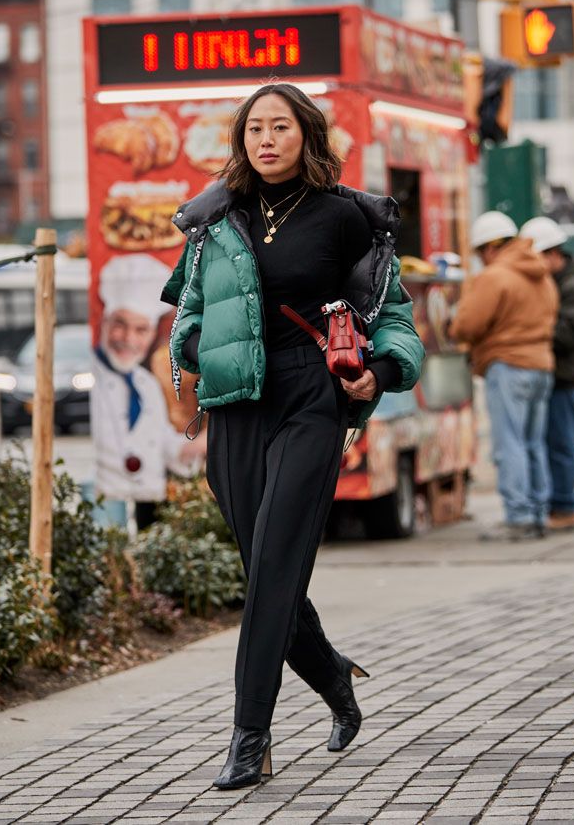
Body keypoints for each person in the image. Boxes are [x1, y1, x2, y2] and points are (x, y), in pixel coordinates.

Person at [162, 83, 424, 789]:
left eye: (281, 126)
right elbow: (188, 310)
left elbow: (393, 315)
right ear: (242, 141)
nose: (267, 139)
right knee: (267, 570)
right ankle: (335, 679)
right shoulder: (217, 218)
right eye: (255, 129)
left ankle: (249, 737)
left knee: (276, 561)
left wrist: (383, 369)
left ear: (307, 136)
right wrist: (193, 346)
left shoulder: (346, 217)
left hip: (312, 396)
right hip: (238, 402)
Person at [449, 211, 559, 540]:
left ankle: (518, 516)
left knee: (509, 443)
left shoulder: (496, 277)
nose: (482, 259)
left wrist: (452, 328)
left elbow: (468, 324)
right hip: (541, 365)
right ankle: (538, 512)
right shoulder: (541, 274)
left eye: (482, 251)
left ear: (493, 247)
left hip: (508, 364)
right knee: (533, 443)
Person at [91, 253, 202, 531]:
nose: (129, 339)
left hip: (145, 506)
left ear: (152, 334)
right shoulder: (88, 376)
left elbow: (163, 444)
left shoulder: (146, 384)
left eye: (141, 329)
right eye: (120, 324)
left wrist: (201, 444)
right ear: (105, 322)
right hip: (103, 506)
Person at [519, 216, 574, 530]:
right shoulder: (560, 284)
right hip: (553, 374)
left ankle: (564, 506)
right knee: (550, 441)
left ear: (553, 255)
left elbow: (568, 334)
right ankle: (557, 503)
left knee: (560, 442)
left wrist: (532, 327)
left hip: (563, 378)